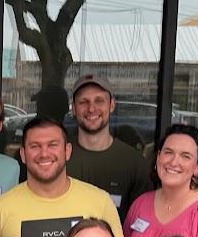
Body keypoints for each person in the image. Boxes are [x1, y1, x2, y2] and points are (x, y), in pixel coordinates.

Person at [64, 75, 152, 222]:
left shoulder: (135, 163)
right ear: (74, 108)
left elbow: (139, 222)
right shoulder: (58, 158)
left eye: (99, 101)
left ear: (111, 105)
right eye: (83, 102)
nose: (91, 108)